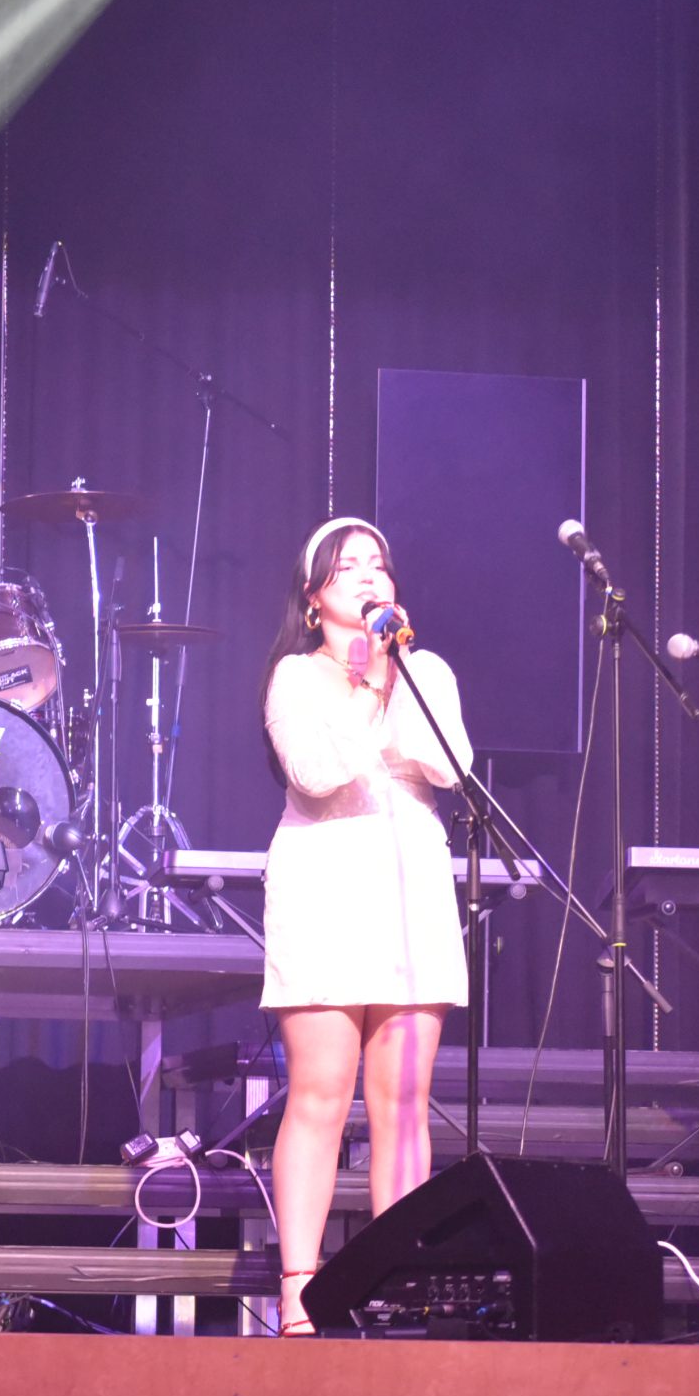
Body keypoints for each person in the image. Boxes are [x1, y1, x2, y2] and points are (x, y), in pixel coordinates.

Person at [258, 516, 471, 1334]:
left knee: (404, 1101)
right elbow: (317, 773)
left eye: (377, 563)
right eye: (347, 567)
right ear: (314, 599)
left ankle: (397, 1278)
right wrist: (359, 683)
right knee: (320, 1095)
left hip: (411, 886)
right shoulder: (295, 677)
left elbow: (449, 766)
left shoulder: (426, 670)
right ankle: (299, 1287)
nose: (368, 575)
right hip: (324, 885)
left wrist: (392, 672)